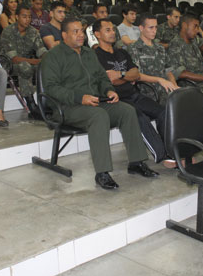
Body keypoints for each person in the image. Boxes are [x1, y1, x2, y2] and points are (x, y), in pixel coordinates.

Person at [41, 17, 159, 189]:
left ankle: (136, 162)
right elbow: (51, 88)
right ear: (64, 35)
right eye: (75, 32)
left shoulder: (89, 53)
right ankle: (102, 173)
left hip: (95, 101)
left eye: (81, 31)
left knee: (127, 110)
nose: (80, 35)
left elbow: (102, 78)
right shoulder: (53, 56)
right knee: (99, 116)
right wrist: (79, 97)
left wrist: (108, 90)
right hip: (68, 106)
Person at [94, 17, 168, 164]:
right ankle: (163, 155)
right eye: (107, 30)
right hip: (117, 100)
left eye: (113, 29)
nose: (113, 32)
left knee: (163, 112)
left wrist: (122, 75)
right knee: (140, 117)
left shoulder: (122, 52)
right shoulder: (96, 56)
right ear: (97, 34)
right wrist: (127, 77)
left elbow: (136, 74)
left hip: (134, 94)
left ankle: (172, 150)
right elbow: (111, 80)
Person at [0, 4, 48, 119]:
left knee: (47, 66)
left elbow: (41, 50)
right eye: (24, 16)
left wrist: (47, 58)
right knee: (24, 67)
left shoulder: (33, 32)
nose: (28, 20)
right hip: (9, 64)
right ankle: (31, 104)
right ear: (17, 17)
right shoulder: (8, 32)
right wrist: (36, 61)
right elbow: (14, 58)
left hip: (28, 62)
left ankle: (48, 103)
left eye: (30, 17)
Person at [168, 13, 203, 104]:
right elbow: (181, 73)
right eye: (195, 27)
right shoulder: (176, 44)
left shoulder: (194, 39)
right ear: (184, 25)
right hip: (192, 84)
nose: (197, 30)